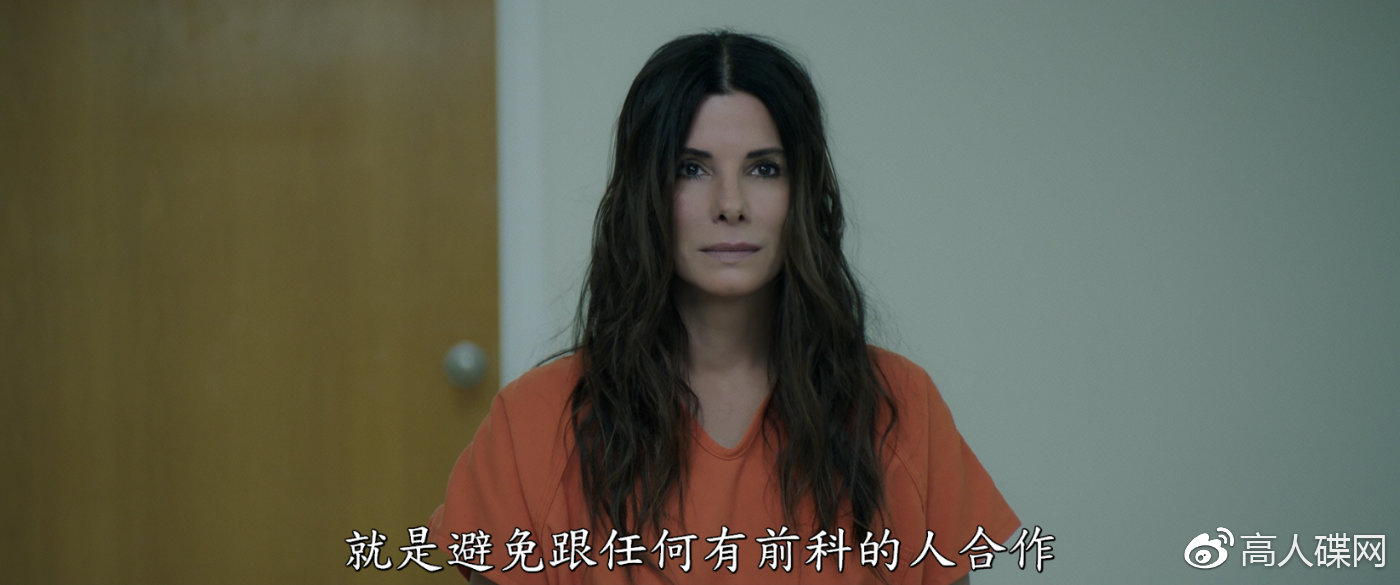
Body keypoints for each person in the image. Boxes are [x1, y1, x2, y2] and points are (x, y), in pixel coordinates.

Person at [429, 31, 1018, 585]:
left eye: (764, 169)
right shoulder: (534, 421)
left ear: (803, 194)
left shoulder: (899, 406)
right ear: (645, 194)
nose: (730, 204)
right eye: (692, 169)